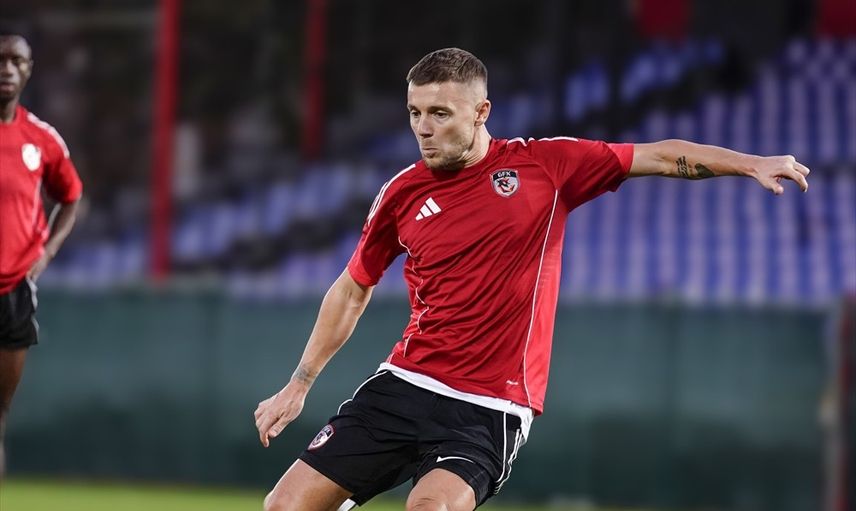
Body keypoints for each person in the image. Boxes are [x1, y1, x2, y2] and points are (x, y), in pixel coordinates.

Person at [254, 48, 809, 511]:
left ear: (481, 112)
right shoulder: (402, 192)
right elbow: (354, 287)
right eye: (415, 112)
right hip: (404, 385)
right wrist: (299, 383)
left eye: (440, 113)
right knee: (283, 506)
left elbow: (661, 157)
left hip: (488, 407)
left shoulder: (546, 166)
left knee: (430, 508)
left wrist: (750, 162)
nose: (423, 128)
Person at [0, 31, 83, 477]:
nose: (6, 69)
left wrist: (47, 252)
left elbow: (71, 196)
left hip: (14, 292)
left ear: (28, 70)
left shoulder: (41, 138)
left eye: (16, 61)